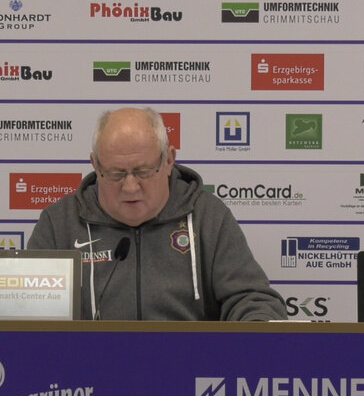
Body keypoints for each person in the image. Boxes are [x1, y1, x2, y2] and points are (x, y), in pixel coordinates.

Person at [28, 107, 286, 321]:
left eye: (143, 172)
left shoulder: (208, 217)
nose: (130, 187)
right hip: (87, 366)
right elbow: (30, 314)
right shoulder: (59, 223)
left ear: (169, 160)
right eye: (116, 174)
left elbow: (252, 299)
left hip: (190, 363)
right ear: (96, 165)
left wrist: (256, 331)